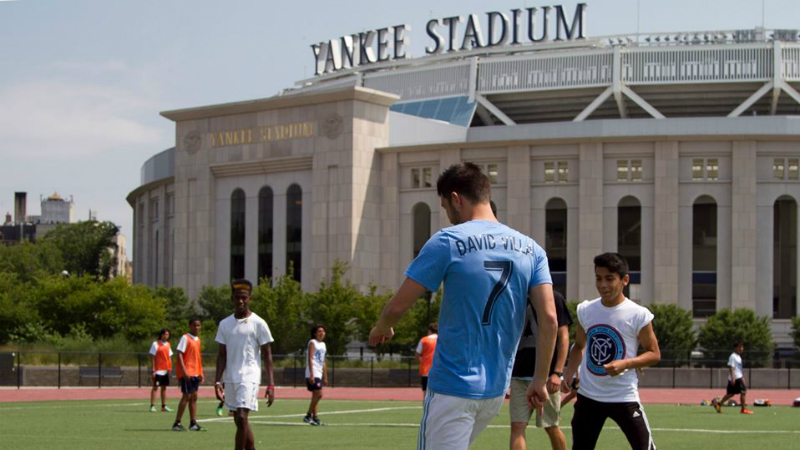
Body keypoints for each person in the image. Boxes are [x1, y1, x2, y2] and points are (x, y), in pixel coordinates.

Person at [368, 162, 558, 450]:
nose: (448, 215)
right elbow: (550, 319)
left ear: (456, 199)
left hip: (453, 386)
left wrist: (382, 326)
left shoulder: (447, 241)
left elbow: (398, 306)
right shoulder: (532, 249)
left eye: (445, 207)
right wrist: (540, 380)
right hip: (495, 390)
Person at [561, 253, 661, 450]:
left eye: (609, 279)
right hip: (589, 397)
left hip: (623, 397)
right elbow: (579, 346)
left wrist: (626, 363)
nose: (603, 285)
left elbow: (654, 353)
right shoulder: (586, 310)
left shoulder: (638, 314)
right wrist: (569, 372)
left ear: (625, 280)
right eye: (598, 278)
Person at [214, 279, 275, 450]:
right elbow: (221, 354)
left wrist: (271, 384)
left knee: (241, 417)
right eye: (237, 297)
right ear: (232, 298)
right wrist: (218, 381)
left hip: (250, 376)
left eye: (244, 298)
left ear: (250, 299)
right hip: (231, 378)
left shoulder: (259, 323)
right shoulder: (224, 324)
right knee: (239, 420)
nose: (241, 301)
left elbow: (267, 354)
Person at [510, 291, 572, 450]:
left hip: (546, 376)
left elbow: (563, 336)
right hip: (519, 374)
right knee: (517, 426)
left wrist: (557, 372)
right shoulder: (515, 297)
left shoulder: (554, 297)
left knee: (551, 427)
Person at [172, 318, 205, 432]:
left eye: (198, 325)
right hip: (188, 372)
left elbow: (198, 358)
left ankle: (193, 423)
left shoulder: (198, 340)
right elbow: (179, 354)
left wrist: (200, 372)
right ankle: (177, 423)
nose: (196, 327)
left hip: (195, 372)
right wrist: (184, 371)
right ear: (190, 326)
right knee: (186, 397)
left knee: (194, 398)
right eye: (194, 325)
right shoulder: (185, 338)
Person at [712, 341, 753, 414]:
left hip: (737, 377)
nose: (741, 348)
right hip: (736, 378)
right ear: (735, 348)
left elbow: (738, 368)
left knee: (731, 394)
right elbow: (731, 367)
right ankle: (743, 409)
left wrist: (742, 376)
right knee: (743, 392)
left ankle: (719, 404)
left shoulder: (738, 356)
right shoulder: (733, 356)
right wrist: (733, 378)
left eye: (742, 347)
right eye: (740, 347)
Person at [303, 324, 328, 426]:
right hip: (313, 372)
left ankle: (315, 417)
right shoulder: (312, 342)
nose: (321, 333)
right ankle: (308, 415)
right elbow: (310, 358)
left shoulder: (323, 345)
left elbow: (323, 361)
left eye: (323, 331)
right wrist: (312, 374)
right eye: (319, 331)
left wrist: (325, 376)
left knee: (315, 395)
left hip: (319, 372)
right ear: (315, 333)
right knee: (319, 394)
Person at [149, 328, 174, 413]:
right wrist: (153, 370)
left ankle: (164, 406)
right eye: (165, 334)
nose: (166, 336)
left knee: (164, 388)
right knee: (155, 387)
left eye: (168, 334)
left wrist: (170, 367)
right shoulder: (155, 344)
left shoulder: (168, 344)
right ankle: (152, 406)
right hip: (158, 370)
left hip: (165, 370)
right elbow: (152, 358)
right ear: (161, 335)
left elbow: (169, 357)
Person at [415, 323, 438, 394]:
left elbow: (417, 354)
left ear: (429, 330)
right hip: (439, 370)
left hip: (426, 370)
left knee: (425, 391)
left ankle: (426, 405)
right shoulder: (441, 340)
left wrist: (422, 362)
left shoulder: (424, 340)